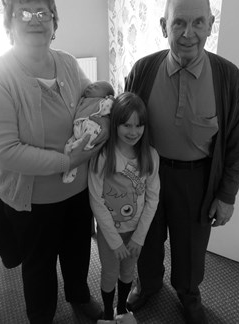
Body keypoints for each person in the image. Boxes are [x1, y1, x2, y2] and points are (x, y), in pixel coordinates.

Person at [0, 0, 108, 324]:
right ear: (9, 22)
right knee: (39, 263)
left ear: (54, 22)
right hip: (31, 199)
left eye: (43, 13)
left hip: (76, 189)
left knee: (78, 251)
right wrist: (69, 158)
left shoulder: (65, 62)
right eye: (24, 13)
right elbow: (4, 151)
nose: (35, 20)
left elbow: (86, 103)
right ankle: (41, 314)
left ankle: (79, 294)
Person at [125, 0, 239, 324]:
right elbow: (125, 125)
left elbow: (237, 143)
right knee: (146, 236)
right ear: (164, 25)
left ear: (210, 24)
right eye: (178, 23)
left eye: (198, 23)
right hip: (148, 172)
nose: (188, 33)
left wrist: (226, 195)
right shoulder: (143, 70)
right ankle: (147, 283)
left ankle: (188, 293)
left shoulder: (229, 78)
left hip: (197, 178)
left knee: (191, 246)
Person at [88, 92, 160, 324]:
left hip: (134, 233)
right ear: (115, 124)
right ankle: (109, 313)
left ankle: (122, 309)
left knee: (128, 271)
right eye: (126, 125)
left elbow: (152, 198)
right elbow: (96, 199)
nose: (133, 131)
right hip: (111, 234)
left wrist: (139, 237)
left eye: (138, 125)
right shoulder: (103, 156)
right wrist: (114, 240)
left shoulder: (150, 156)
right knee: (110, 273)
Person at [63, 80, 115, 183]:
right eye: (92, 84)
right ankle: (69, 168)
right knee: (68, 146)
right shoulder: (84, 100)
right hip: (78, 128)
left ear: (105, 96)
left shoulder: (101, 102)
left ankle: (76, 152)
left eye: (95, 87)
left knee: (88, 137)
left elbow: (108, 108)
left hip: (91, 127)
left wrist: (111, 101)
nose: (90, 86)